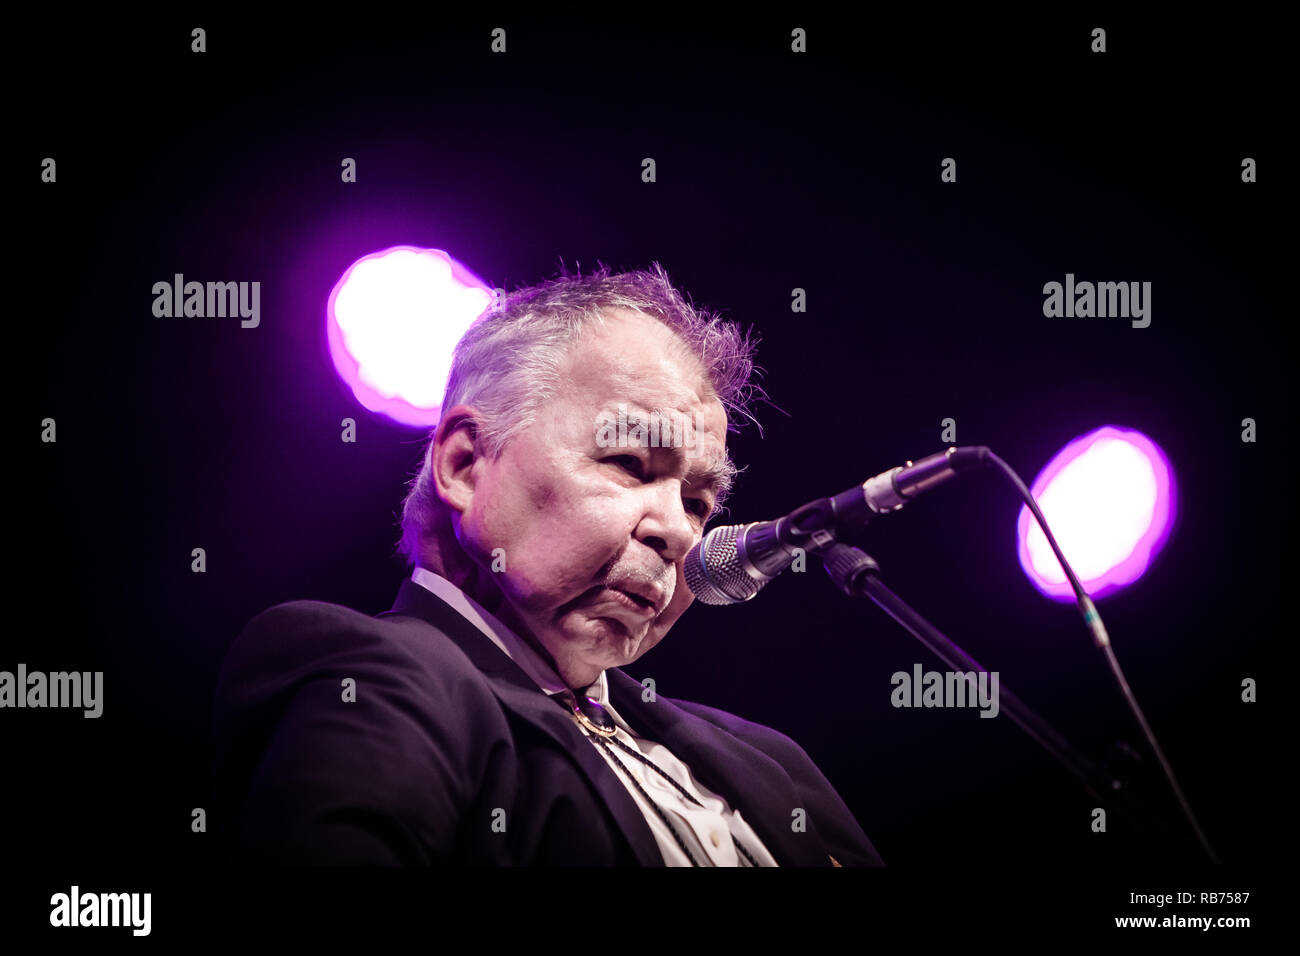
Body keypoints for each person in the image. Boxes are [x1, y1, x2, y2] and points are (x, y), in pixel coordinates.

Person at [210, 262, 882, 866]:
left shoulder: (773, 763)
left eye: (699, 502)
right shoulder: (376, 673)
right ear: (465, 465)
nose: (679, 530)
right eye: (627, 463)